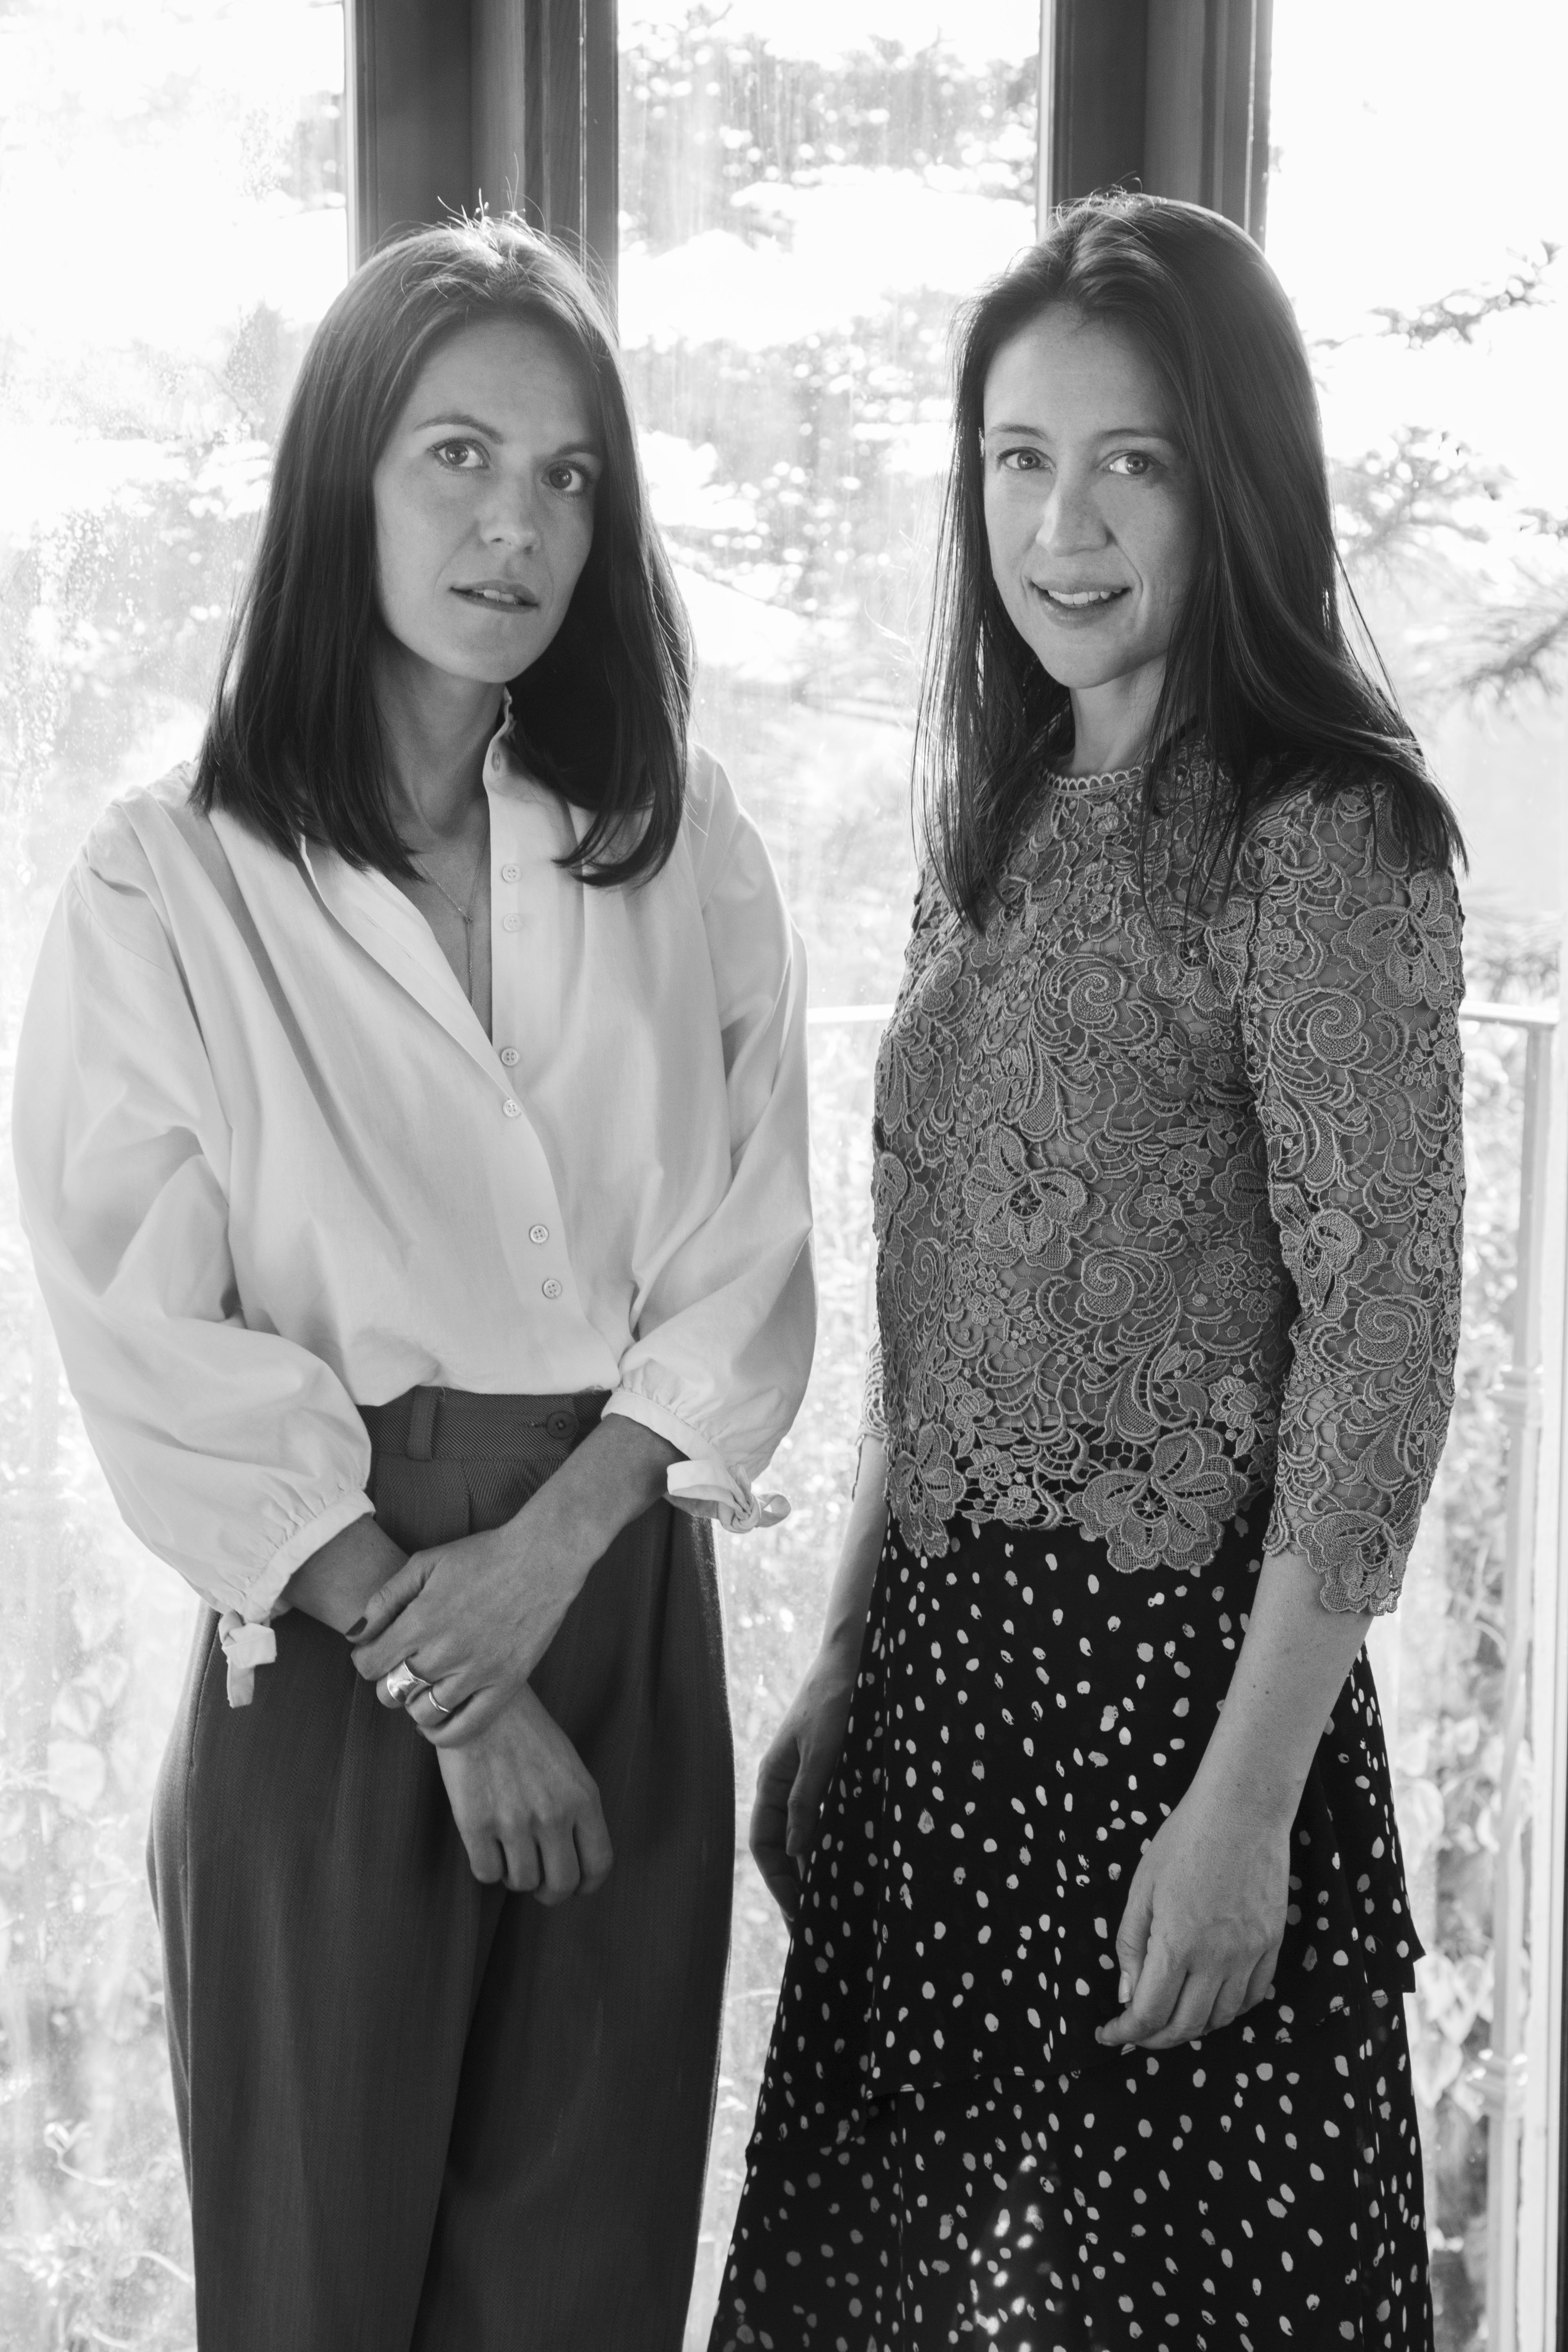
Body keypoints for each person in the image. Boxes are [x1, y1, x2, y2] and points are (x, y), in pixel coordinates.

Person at [14, 216, 814, 2352]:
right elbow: (145, 1334)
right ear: (342, 480)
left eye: (568, 478)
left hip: (619, 1602)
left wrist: (545, 1576)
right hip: (333, 1639)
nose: (517, 522)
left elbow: (745, 1264)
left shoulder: (681, 841)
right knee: (319, 2297)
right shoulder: (163, 878)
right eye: (458, 456)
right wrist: (443, 1664)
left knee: (586, 2288)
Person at [711, 192, 1461, 2352]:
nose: (1064, 520)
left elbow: (1384, 1350)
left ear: (1232, 474)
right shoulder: (1007, 819)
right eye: (1017, 459)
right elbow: (947, 1332)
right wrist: (853, 1665)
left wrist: (1241, 1819)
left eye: (1128, 458)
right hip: (951, 1722)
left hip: (1181, 1716)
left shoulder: (1328, 836)